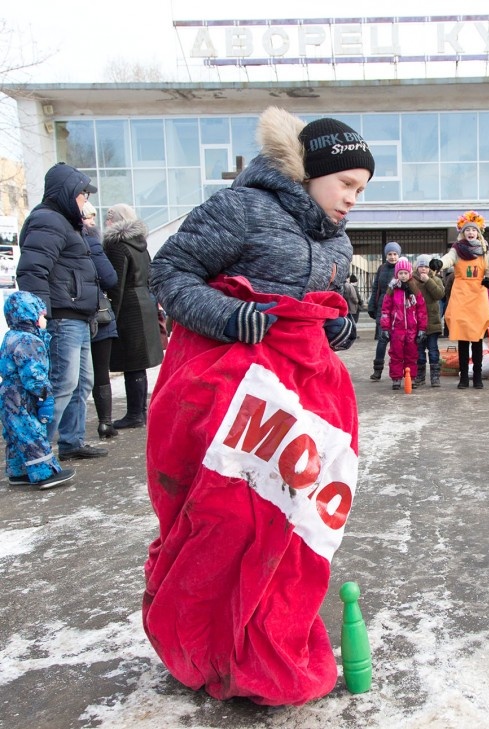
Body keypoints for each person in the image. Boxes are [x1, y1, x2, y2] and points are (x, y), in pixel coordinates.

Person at [145, 107, 370, 705]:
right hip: (225, 392)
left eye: (361, 190)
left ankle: (265, 636)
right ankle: (210, 644)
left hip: (298, 398)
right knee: (228, 519)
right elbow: (169, 273)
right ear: (312, 171)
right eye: (346, 184)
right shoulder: (240, 208)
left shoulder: (338, 240)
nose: (353, 199)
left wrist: (336, 327)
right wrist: (228, 316)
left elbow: (328, 304)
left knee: (288, 524)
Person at [16, 162, 108, 460]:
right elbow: (32, 270)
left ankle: (71, 441)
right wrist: (38, 314)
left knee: (81, 384)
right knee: (62, 385)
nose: (85, 201)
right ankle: (34, 451)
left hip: (78, 317)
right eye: (82, 194)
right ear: (69, 193)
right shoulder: (49, 220)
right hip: (62, 318)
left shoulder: (66, 223)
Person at [0, 291, 76, 490]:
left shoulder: (11, 336)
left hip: (8, 394)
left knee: (15, 433)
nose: (45, 318)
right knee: (31, 433)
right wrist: (44, 396)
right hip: (22, 395)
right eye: (41, 315)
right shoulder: (29, 341)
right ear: (29, 317)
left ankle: (18, 471)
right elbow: (33, 374)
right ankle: (44, 472)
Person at [103, 204, 163, 430]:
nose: (106, 223)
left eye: (109, 219)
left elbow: (115, 285)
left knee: (132, 364)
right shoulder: (140, 244)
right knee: (137, 364)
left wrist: (111, 316)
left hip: (129, 308)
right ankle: (138, 412)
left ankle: (135, 413)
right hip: (143, 304)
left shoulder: (117, 246)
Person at [439, 210, 489, 389]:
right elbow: (448, 259)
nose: (470, 233)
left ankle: (478, 376)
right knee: (463, 340)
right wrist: (438, 264)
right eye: (467, 230)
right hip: (461, 297)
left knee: (477, 339)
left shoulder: (486, 252)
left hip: (478, 298)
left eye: (473, 230)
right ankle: (464, 377)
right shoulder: (456, 250)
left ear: (478, 232)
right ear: (462, 233)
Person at [81, 200, 120, 439]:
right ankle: (105, 422)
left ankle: (73, 431)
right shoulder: (92, 242)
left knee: (76, 375)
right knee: (99, 371)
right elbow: (110, 278)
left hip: (75, 315)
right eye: (89, 216)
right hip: (98, 313)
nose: (93, 220)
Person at [379, 257, 427, 390]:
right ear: (397, 274)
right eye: (400, 273)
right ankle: (396, 378)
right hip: (397, 330)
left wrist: (422, 328)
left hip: (412, 330)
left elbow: (421, 310)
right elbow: (385, 310)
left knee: (412, 355)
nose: (403, 275)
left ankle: (410, 377)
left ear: (409, 273)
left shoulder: (415, 290)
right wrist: (385, 327)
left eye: (406, 273)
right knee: (396, 354)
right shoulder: (392, 290)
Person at [367, 242, 401, 381]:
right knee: (382, 339)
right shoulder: (381, 269)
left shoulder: (402, 268)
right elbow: (376, 288)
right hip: (383, 307)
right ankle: (377, 370)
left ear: (399, 255)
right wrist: (371, 306)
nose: (392, 257)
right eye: (389, 254)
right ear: (386, 255)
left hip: (398, 307)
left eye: (395, 254)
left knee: (396, 342)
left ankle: (396, 371)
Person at [410, 254, 446, 387]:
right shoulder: (411, 280)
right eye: (421, 266)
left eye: (426, 266)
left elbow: (439, 295)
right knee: (419, 351)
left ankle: (435, 376)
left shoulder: (435, 279)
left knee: (433, 350)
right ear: (417, 267)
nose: (423, 269)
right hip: (418, 323)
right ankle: (420, 376)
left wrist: (428, 281)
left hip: (432, 321)